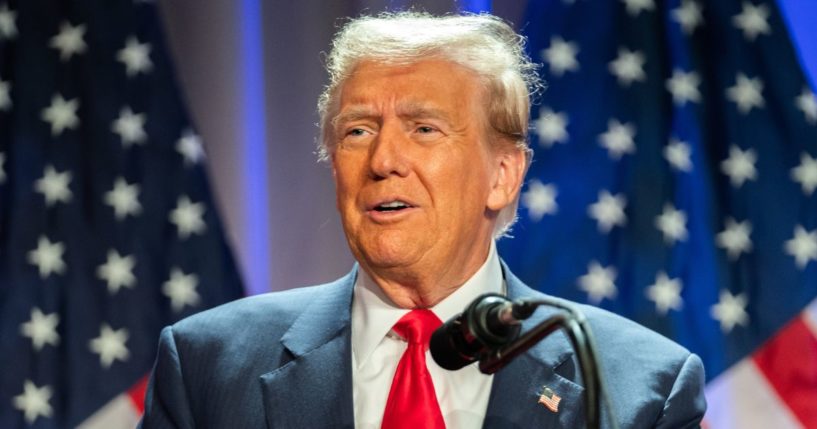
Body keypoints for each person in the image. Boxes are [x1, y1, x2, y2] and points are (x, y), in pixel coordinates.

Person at [140, 12, 706, 429]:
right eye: (357, 131)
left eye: (424, 128)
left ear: (502, 175)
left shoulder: (640, 387)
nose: (382, 161)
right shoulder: (206, 366)